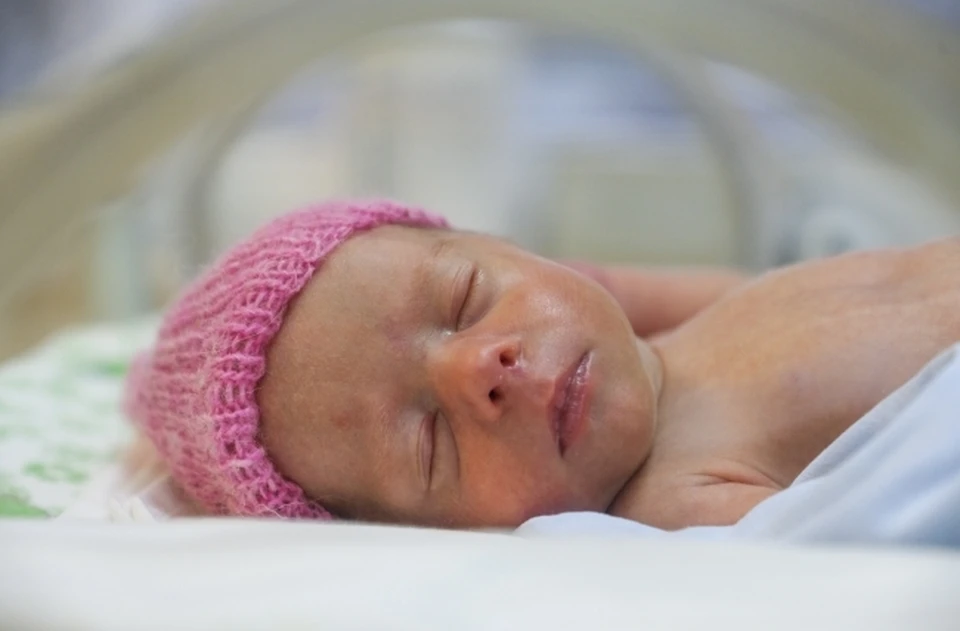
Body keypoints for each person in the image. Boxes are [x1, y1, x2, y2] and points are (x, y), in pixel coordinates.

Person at [124, 200, 960, 529]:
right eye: (429, 442)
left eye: (464, 298)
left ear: (516, 247)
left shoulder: (666, 328)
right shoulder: (674, 493)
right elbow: (876, 537)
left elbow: (590, 286)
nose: (480, 368)